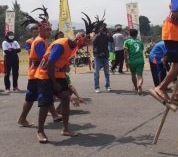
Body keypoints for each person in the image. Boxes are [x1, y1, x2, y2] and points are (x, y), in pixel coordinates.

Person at [34, 12, 93, 143]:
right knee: (46, 103)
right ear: (78, 40)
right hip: (45, 75)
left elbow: (63, 61)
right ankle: (40, 131)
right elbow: (50, 64)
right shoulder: (60, 45)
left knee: (65, 97)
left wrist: (65, 68)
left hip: (58, 74)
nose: (82, 47)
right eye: (83, 45)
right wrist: (54, 83)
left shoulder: (74, 47)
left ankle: (65, 129)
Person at [18, 7, 61, 126]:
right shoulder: (39, 41)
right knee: (32, 98)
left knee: (45, 94)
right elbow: (44, 58)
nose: (50, 32)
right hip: (37, 73)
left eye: (50, 29)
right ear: (41, 30)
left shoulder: (40, 40)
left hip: (37, 73)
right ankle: (22, 119)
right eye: (47, 30)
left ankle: (55, 115)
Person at [124, 29, 145, 95]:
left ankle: (136, 87)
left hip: (132, 60)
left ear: (130, 34)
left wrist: (126, 61)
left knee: (133, 74)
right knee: (139, 76)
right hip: (140, 60)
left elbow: (125, 52)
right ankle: (140, 85)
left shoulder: (127, 41)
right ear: (137, 34)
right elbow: (141, 50)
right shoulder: (140, 42)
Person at [93, 26, 111, 93]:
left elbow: (111, 40)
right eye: (102, 30)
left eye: (104, 30)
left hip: (105, 56)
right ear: (100, 30)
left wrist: (110, 34)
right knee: (96, 73)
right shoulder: (97, 37)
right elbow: (94, 47)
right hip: (98, 57)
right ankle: (97, 87)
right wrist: (96, 54)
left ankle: (108, 86)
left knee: (107, 73)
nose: (103, 31)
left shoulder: (106, 36)